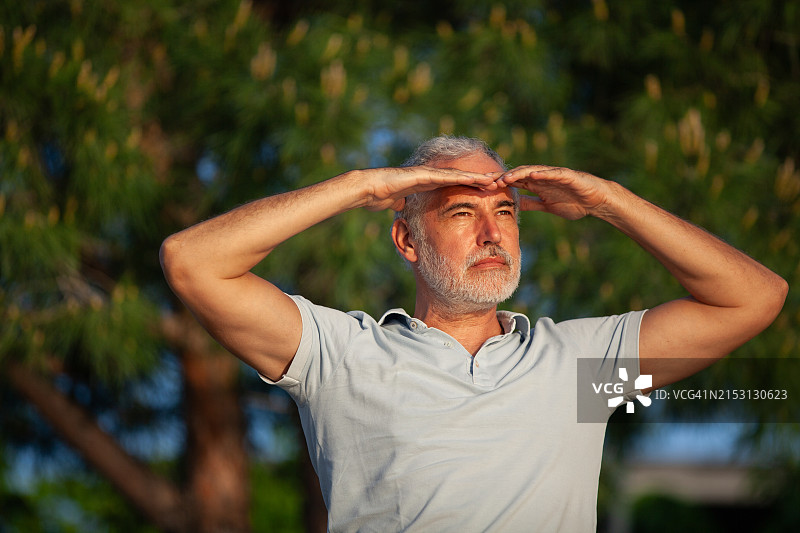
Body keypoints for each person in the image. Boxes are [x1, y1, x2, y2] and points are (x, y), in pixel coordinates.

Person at [160, 136, 787, 531]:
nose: (493, 234)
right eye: (463, 212)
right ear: (407, 240)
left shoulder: (583, 372)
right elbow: (193, 262)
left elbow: (755, 299)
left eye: (505, 213)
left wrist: (610, 202)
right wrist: (364, 187)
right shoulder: (340, 359)